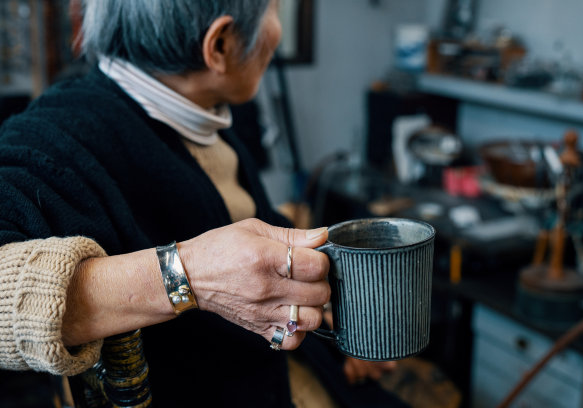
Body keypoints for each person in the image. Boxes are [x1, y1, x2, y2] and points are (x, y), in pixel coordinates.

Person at [0, 0, 403, 406]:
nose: (277, 31)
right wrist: (188, 275)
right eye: (275, 10)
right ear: (220, 46)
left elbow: (243, 220)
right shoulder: (52, 140)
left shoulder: (201, 112)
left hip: (284, 370)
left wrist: (327, 329)